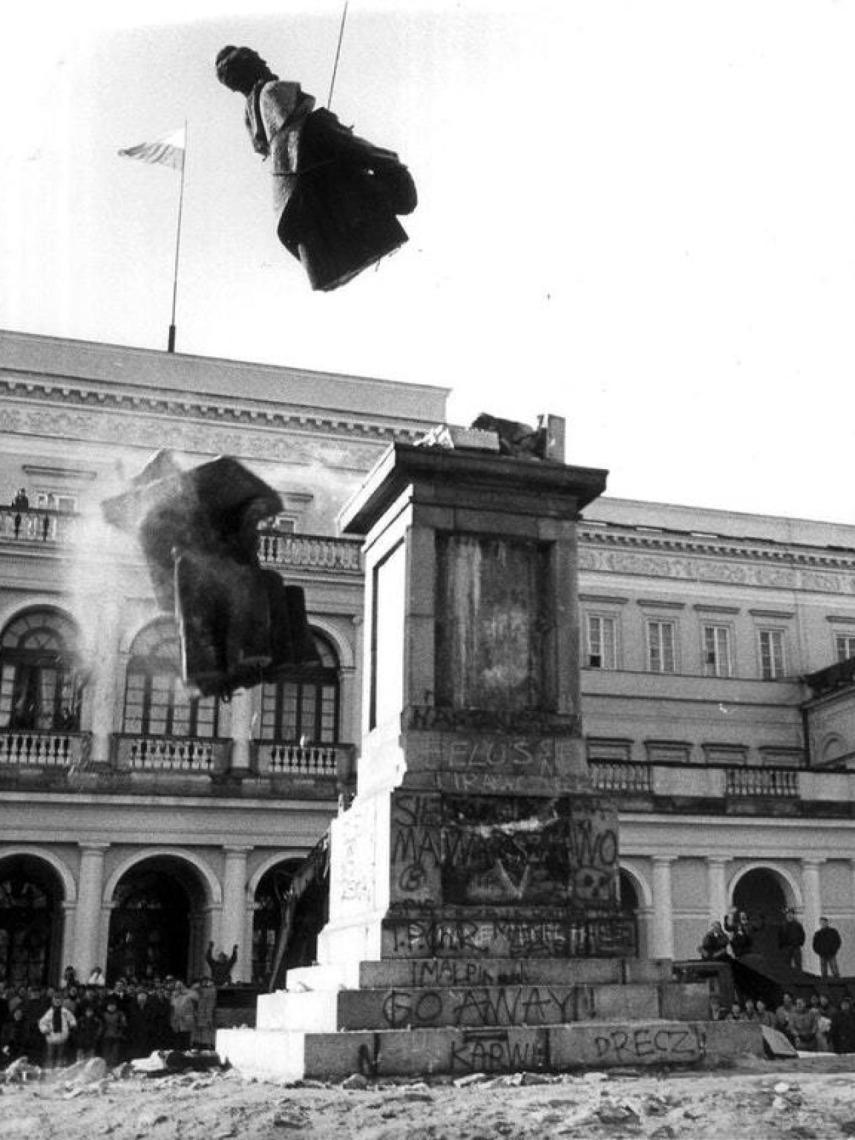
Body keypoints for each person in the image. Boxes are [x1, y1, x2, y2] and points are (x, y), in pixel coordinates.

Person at [215, 45, 416, 292]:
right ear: (252, 71)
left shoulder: (274, 151)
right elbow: (360, 151)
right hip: (349, 223)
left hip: (322, 249)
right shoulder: (312, 126)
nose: (265, 62)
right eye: (258, 60)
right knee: (390, 169)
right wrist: (394, 164)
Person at [38, 994, 77, 1069]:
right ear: (53, 1001)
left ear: (61, 1001)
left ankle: (58, 1068)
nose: (57, 1002)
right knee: (50, 1055)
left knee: (60, 1055)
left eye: (59, 1000)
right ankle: (50, 1068)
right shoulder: (49, 1012)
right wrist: (45, 1030)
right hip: (51, 1037)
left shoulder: (65, 1012)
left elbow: (72, 1019)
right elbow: (42, 1022)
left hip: (62, 1037)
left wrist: (72, 1025)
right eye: (56, 1000)